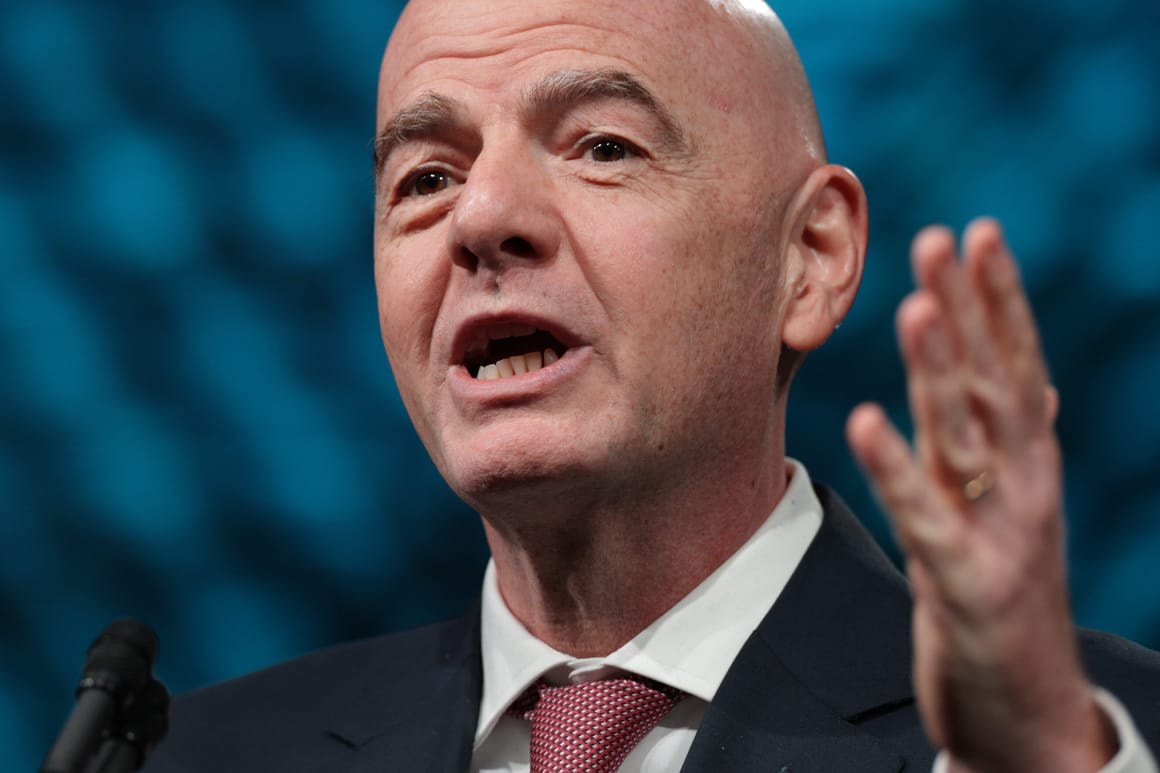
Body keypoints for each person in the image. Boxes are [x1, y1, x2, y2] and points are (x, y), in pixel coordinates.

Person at [143, 0, 1160, 771]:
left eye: (602, 146)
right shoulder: (191, 754)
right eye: (427, 178)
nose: (480, 217)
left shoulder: (1093, 735)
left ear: (808, 258)